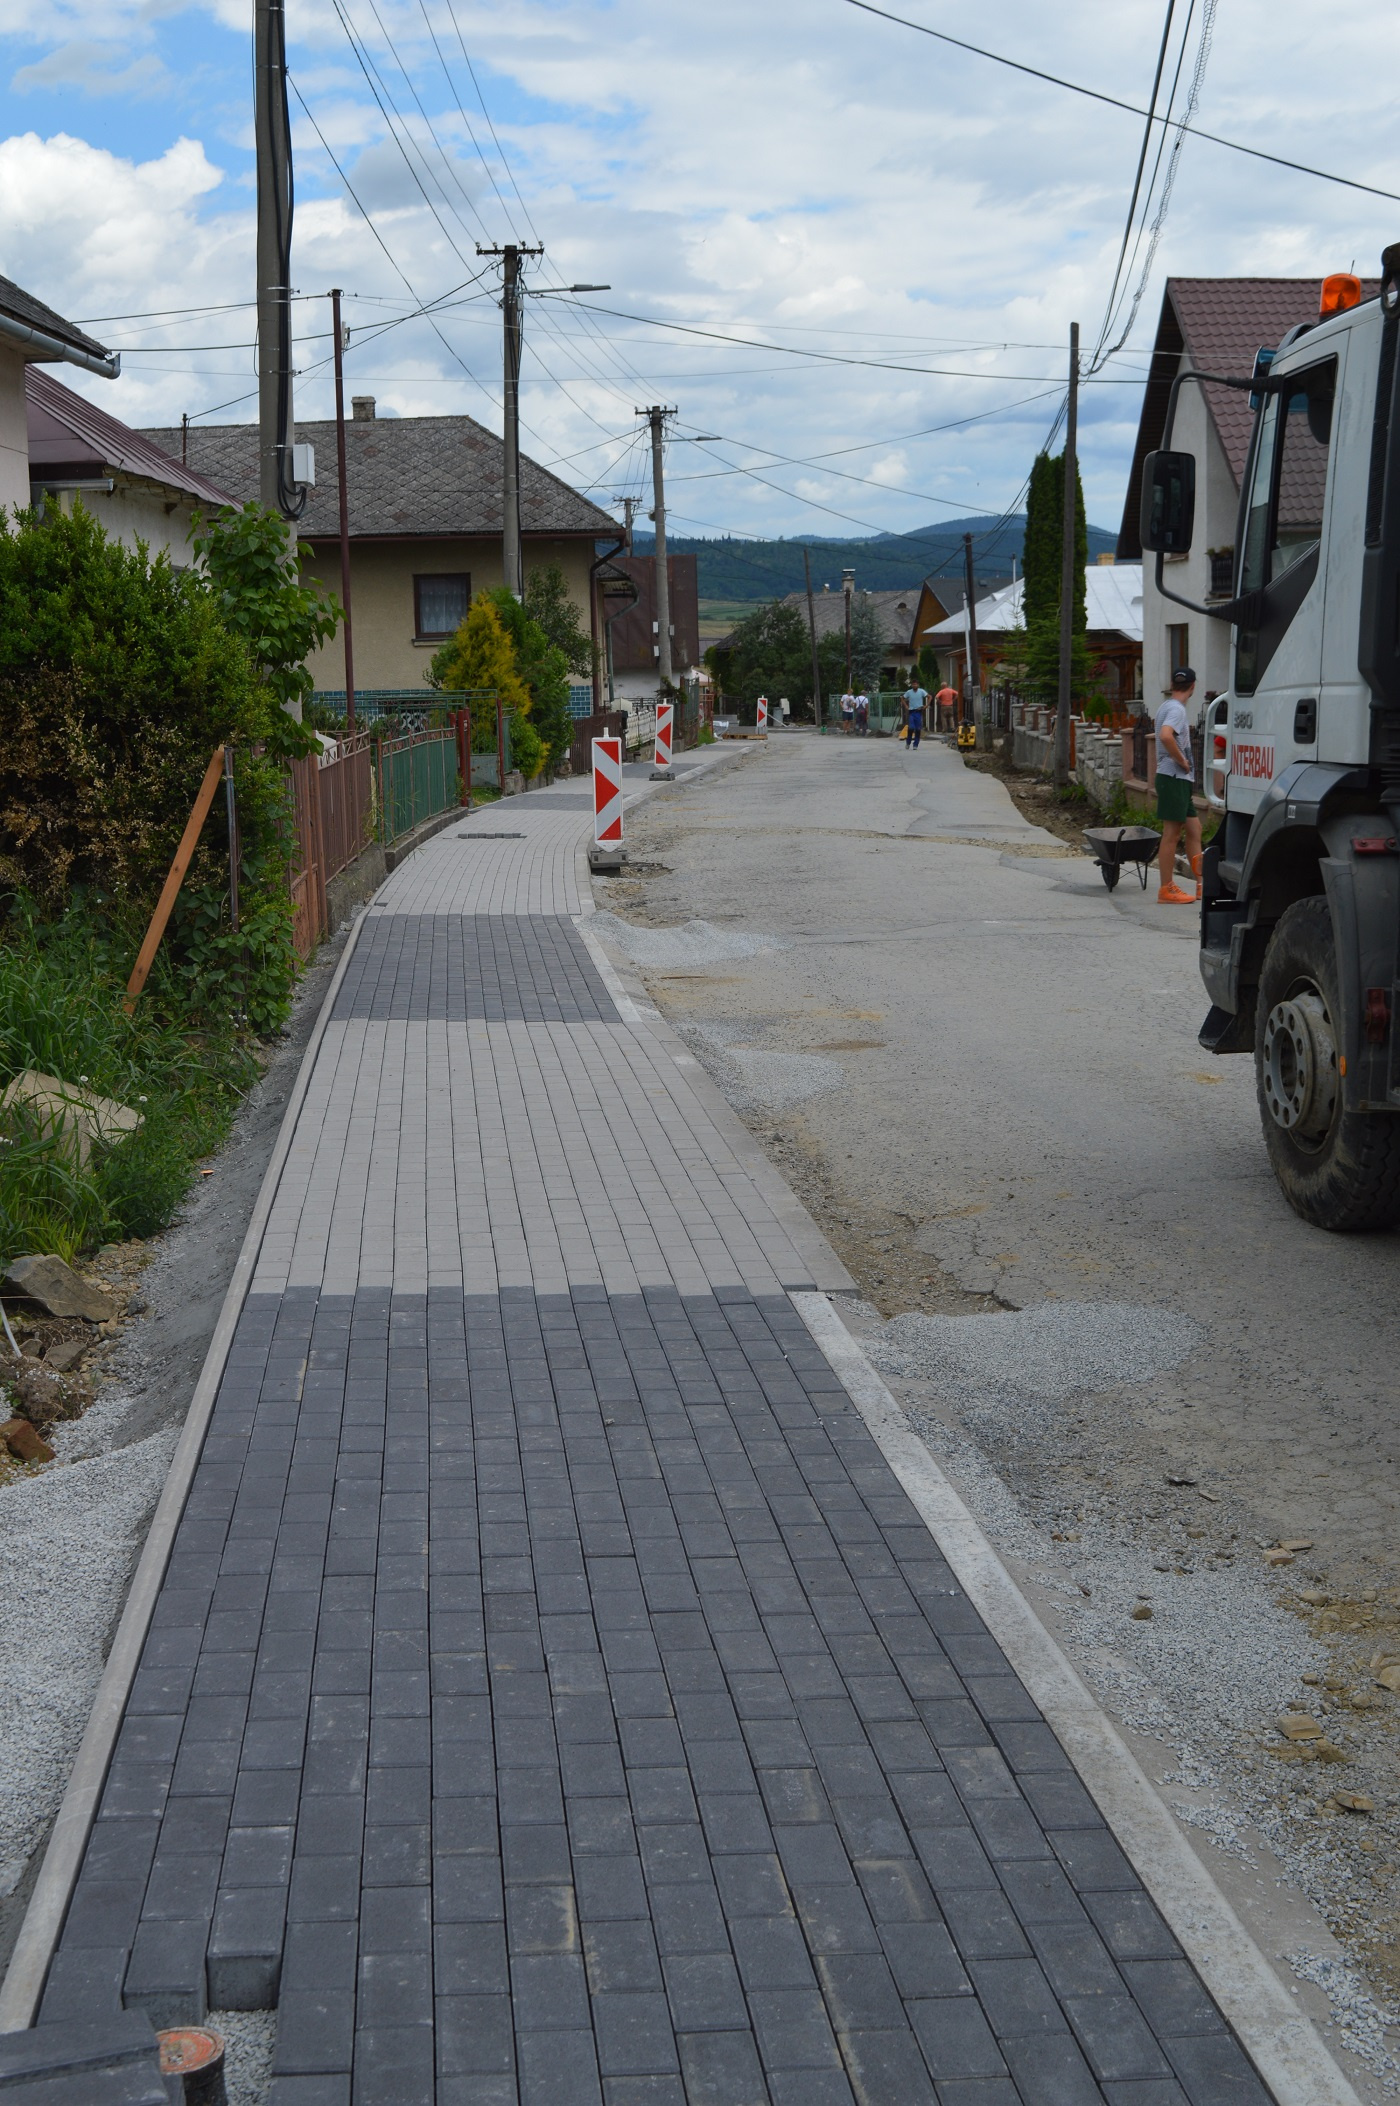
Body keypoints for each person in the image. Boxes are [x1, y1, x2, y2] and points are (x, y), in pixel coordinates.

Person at [1155, 666, 1202, 904]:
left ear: (1173, 685)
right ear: (1193, 686)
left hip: (1178, 780)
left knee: (1194, 830)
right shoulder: (1177, 710)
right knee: (1172, 834)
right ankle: (1166, 889)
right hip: (1173, 777)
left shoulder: (1166, 706)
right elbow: (1166, 735)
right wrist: (1182, 760)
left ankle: (1202, 884)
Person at [903, 678, 929, 750]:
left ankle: (915, 744)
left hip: (919, 711)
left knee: (918, 729)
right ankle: (908, 742)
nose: (914, 685)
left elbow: (930, 697)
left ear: (918, 685)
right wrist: (906, 706)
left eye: (916, 684)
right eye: (913, 684)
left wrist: (926, 705)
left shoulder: (921, 691)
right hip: (911, 712)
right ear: (911, 685)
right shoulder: (909, 692)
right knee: (911, 728)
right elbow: (902, 698)